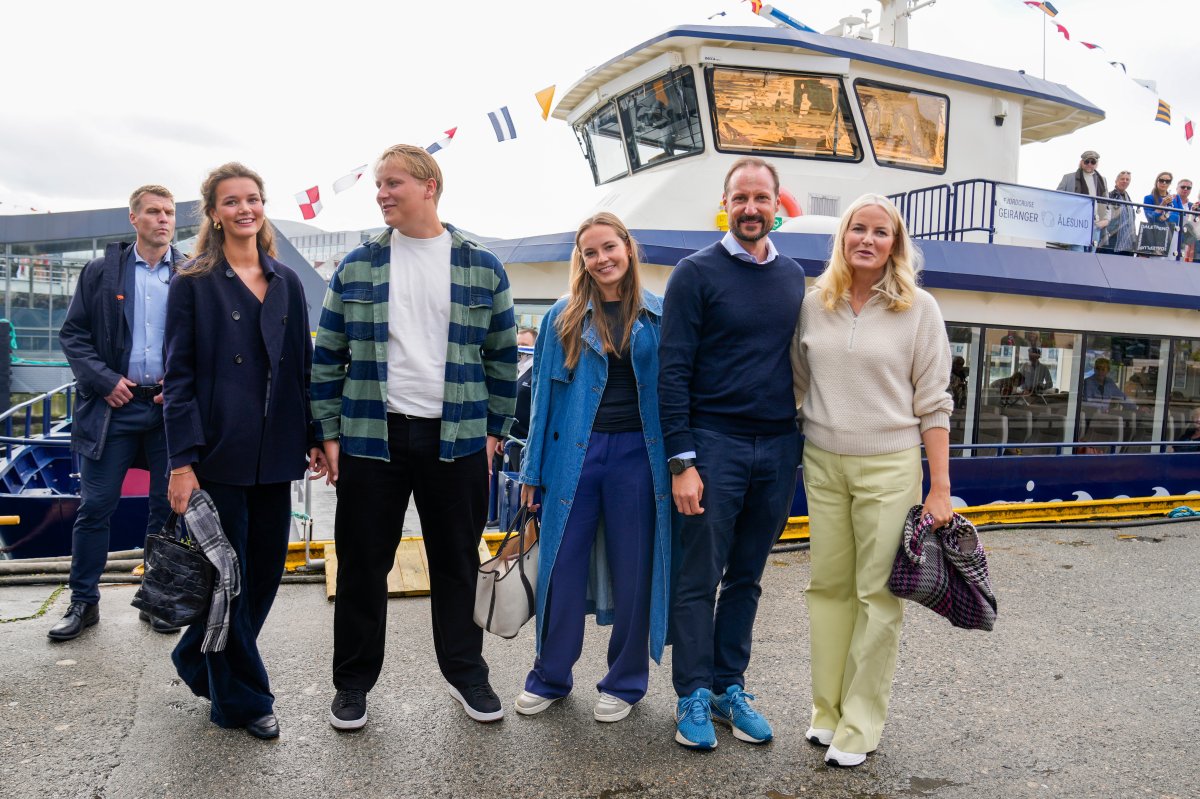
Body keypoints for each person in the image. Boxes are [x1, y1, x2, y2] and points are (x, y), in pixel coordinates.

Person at [311, 144, 517, 731]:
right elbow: (327, 359)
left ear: (429, 185)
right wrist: (328, 434)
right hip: (371, 438)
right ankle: (351, 686)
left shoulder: (482, 267)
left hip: (456, 439)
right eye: (378, 184)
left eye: (392, 182)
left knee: (456, 563)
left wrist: (494, 433)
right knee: (360, 566)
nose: (381, 193)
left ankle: (466, 675)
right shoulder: (356, 267)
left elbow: (503, 360)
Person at [791, 193, 954, 768]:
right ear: (842, 238)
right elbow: (798, 383)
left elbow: (934, 403)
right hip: (824, 464)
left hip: (891, 467)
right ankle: (826, 714)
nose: (867, 239)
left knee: (878, 597)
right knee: (828, 592)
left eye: (880, 232)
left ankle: (860, 725)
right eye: (857, 229)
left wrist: (939, 489)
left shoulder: (920, 309)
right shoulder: (815, 304)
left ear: (895, 244)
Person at [163, 162, 324, 740]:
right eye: (231, 201)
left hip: (276, 452)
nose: (244, 209)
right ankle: (242, 701)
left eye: (252, 199)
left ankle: (193, 658)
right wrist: (180, 464)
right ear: (214, 213)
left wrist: (314, 436)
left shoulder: (287, 282)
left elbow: (301, 370)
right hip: (217, 454)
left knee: (262, 575)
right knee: (225, 580)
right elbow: (177, 379)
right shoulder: (193, 282)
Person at [659, 156, 805, 750]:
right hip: (713, 445)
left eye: (761, 199)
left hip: (777, 445)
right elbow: (673, 374)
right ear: (726, 202)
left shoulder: (794, 276)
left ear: (776, 205)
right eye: (740, 198)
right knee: (699, 576)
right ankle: (692, 693)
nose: (751, 208)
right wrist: (683, 463)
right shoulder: (694, 274)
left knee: (747, 577)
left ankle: (728, 687)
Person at [513, 212, 670, 724]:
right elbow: (541, 404)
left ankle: (624, 682)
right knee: (559, 565)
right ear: (582, 259)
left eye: (609, 247)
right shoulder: (564, 316)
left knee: (634, 569)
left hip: (637, 457)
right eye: (590, 252)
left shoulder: (658, 315)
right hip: (571, 455)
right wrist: (530, 473)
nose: (602, 259)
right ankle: (551, 676)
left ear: (628, 247)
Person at [50, 185, 184, 641]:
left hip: (168, 409)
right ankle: (83, 603)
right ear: (134, 218)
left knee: (166, 508)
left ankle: (157, 600)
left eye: (168, 212)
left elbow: (204, 343)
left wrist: (182, 385)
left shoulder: (191, 273)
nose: (162, 219)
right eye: (153, 212)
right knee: (95, 507)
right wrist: (105, 381)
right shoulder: (102, 272)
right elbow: (74, 335)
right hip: (114, 407)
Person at [1056, 149, 1109, 251]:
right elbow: (1058, 198)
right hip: (1076, 223)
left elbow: (1107, 202)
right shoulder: (1068, 178)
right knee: (1077, 254)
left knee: (1091, 258)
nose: (1089, 164)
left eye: (1092, 162)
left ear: (1096, 164)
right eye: (1087, 161)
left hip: (1095, 224)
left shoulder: (1102, 180)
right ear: (1081, 162)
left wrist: (1106, 220)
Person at [1080, 357, 1137, 451]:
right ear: (1094, 369)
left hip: (1104, 418)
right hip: (1089, 418)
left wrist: (1137, 408)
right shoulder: (1088, 382)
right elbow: (1087, 401)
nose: (1100, 371)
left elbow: (1122, 397)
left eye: (1103, 369)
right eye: (1097, 368)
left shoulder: (1110, 383)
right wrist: (1103, 408)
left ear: (1108, 371)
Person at [1142, 172, 1182, 257]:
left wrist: (1165, 216)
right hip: (1157, 235)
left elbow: (1180, 216)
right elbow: (1150, 217)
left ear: (1170, 183)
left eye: (1167, 181)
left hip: (1173, 235)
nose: (1164, 183)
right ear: (1157, 181)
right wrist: (1162, 204)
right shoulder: (1149, 198)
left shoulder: (1175, 198)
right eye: (1161, 180)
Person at [1101, 171, 1136, 255]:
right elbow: (1103, 214)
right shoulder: (1109, 196)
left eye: (1127, 179)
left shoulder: (1129, 199)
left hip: (1127, 240)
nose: (1125, 181)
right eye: (1122, 179)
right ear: (1116, 181)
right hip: (1111, 238)